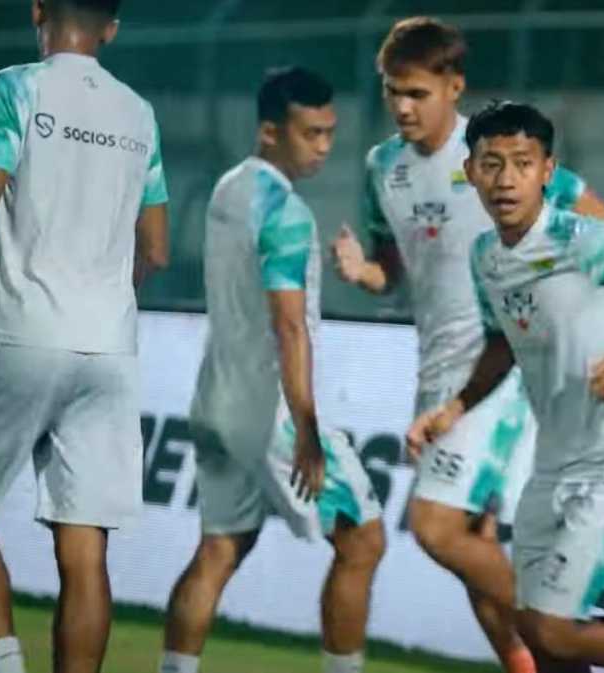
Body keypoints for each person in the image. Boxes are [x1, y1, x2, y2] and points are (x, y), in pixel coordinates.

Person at [0, 2, 169, 672]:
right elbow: (155, 250)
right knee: (84, 546)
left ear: (38, 10)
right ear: (112, 27)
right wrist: (101, 297)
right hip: (109, 348)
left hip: (20, 333)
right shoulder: (138, 112)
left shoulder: (14, 87)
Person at [330, 16, 604, 672]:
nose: (402, 106)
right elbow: (390, 270)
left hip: (499, 370)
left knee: (434, 526)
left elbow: (595, 219)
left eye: (418, 93)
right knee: (474, 549)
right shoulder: (383, 169)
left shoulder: (493, 154)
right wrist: (360, 271)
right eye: (392, 91)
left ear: (454, 87)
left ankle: (569, 634)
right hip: (435, 371)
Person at [408, 100, 604, 673]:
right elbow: (502, 342)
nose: (506, 179)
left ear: (547, 171)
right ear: (471, 172)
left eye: (522, 164)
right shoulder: (487, 257)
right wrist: (453, 408)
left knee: (557, 629)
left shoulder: (582, 240)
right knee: (538, 631)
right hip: (551, 468)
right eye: (492, 163)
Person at [159, 66, 385, 673]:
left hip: (214, 401)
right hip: (272, 413)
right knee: (364, 540)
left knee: (220, 549)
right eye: (310, 133)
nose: (323, 147)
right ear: (268, 131)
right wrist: (306, 427)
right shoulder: (287, 213)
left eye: (329, 132)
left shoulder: (228, 189)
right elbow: (289, 326)